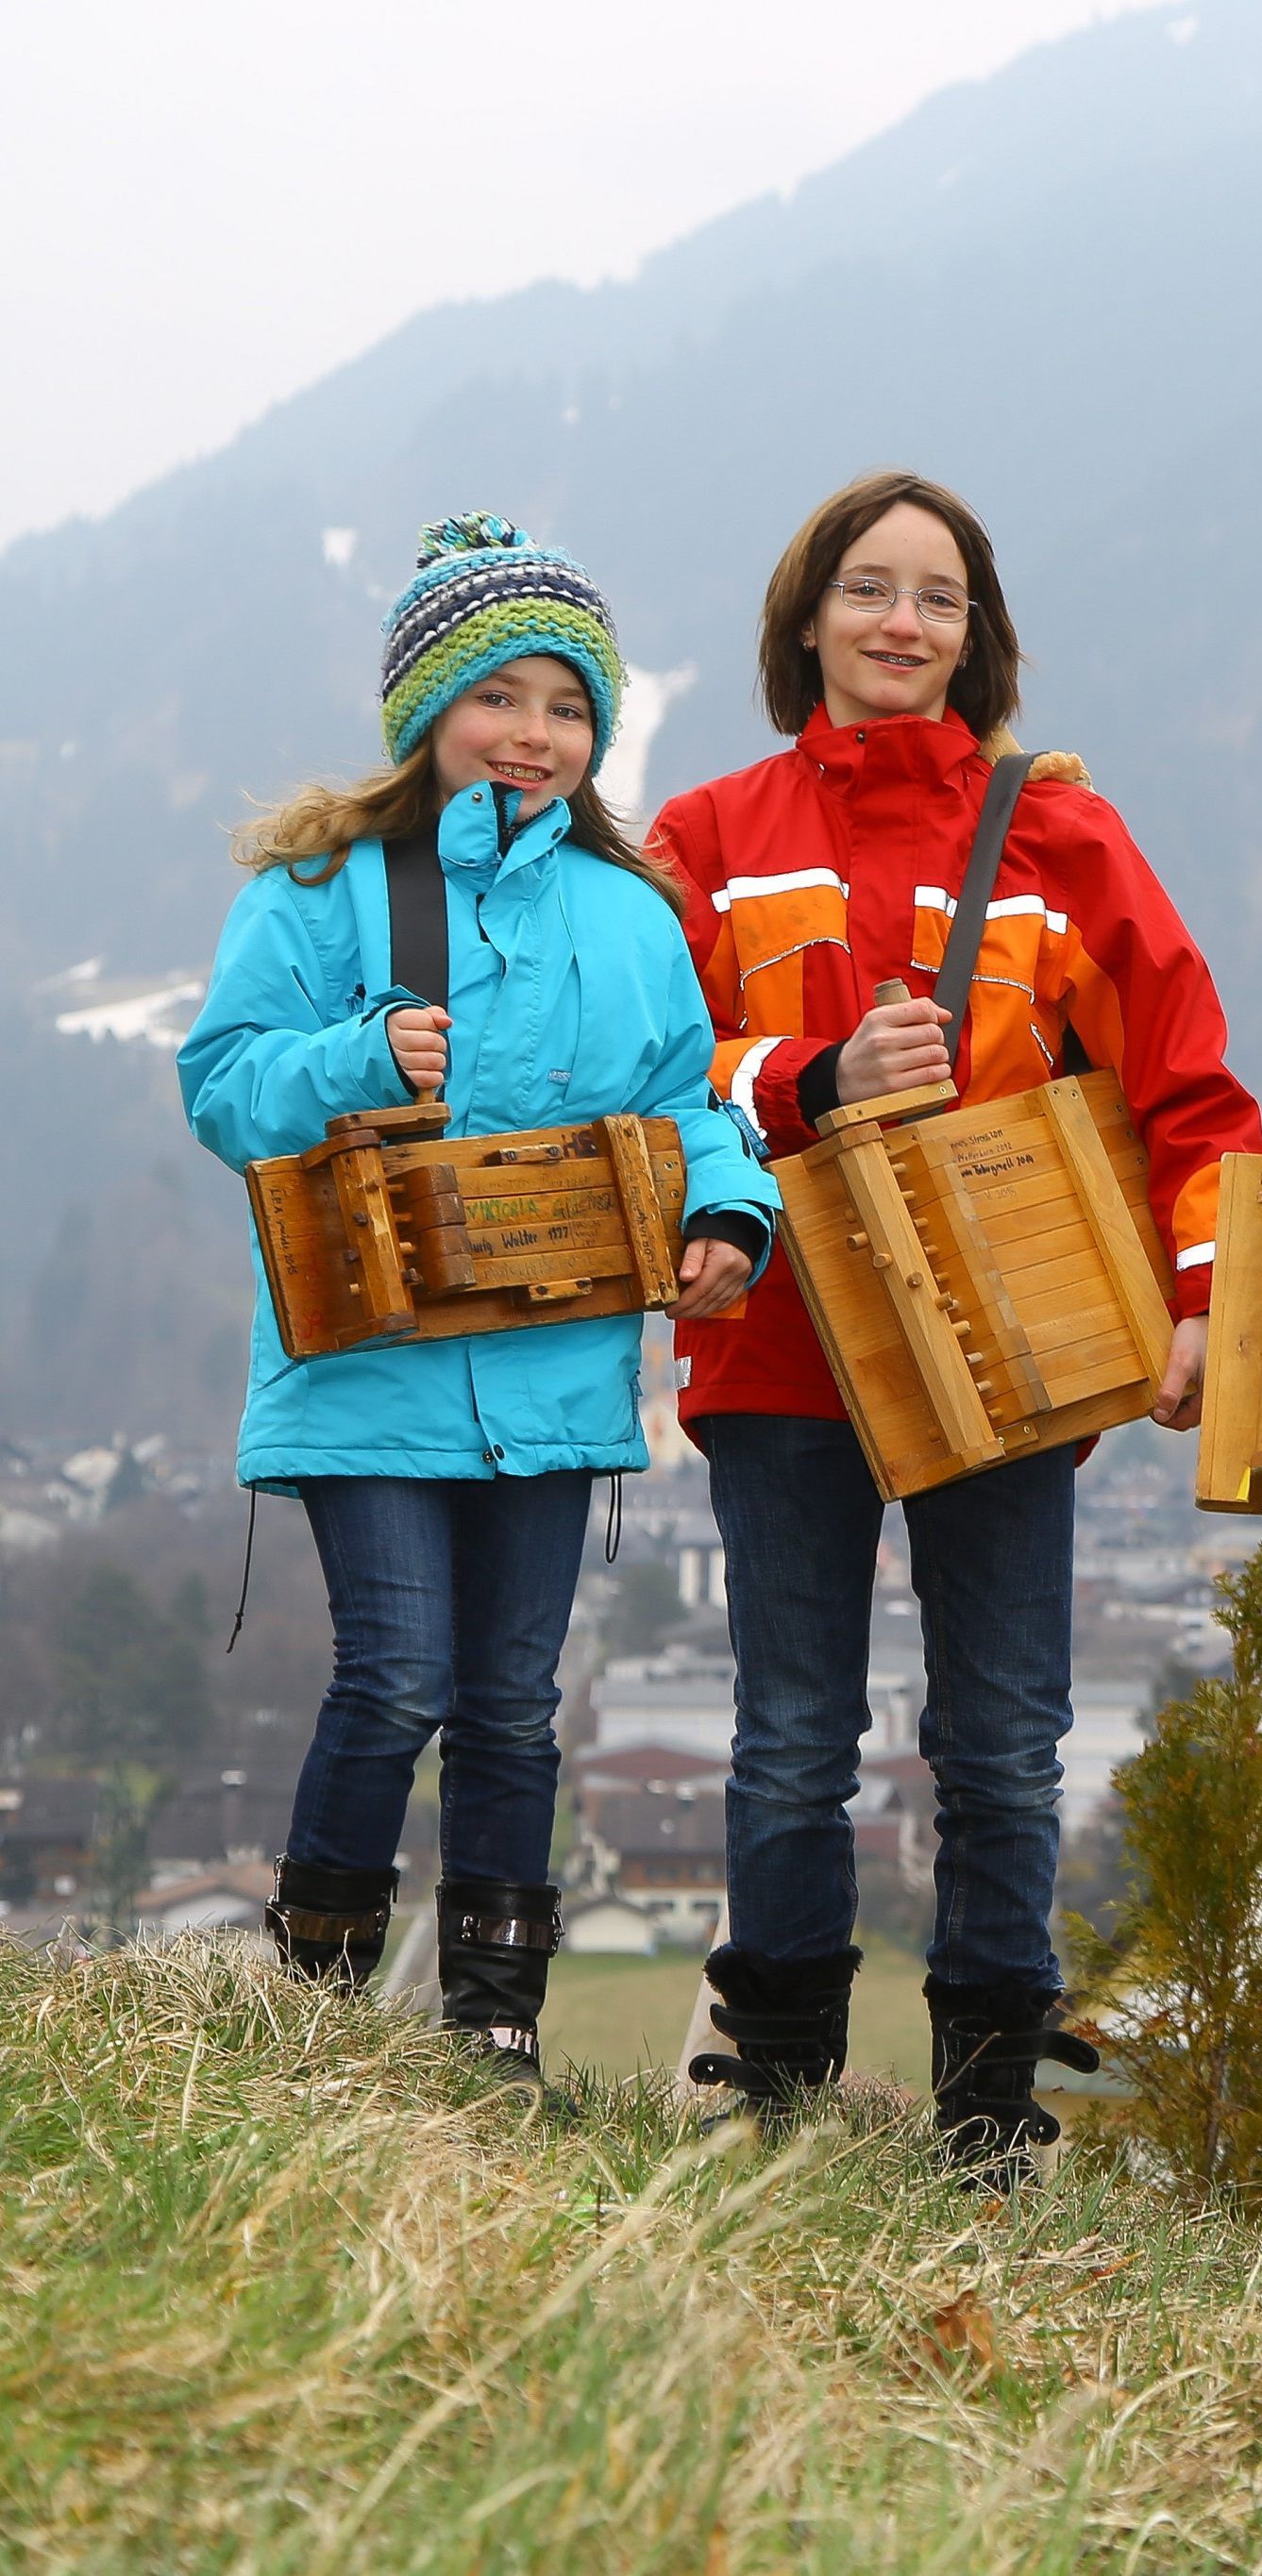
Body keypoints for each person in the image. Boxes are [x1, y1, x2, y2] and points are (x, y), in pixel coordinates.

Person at [652, 470, 1262, 2183]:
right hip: (780, 1340)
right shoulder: (706, 835)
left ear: (974, 634)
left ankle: (988, 2111)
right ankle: (774, 2085)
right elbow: (639, 1080)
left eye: (936, 596)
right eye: (868, 588)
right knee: (791, 1735)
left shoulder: (1065, 832)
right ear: (807, 619)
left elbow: (1193, 1090)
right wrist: (807, 1077)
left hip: (1017, 1344)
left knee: (1000, 1736)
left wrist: (1206, 1301)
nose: (900, 621)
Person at [182, 512, 774, 2083]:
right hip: (364, 1365)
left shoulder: (632, 914)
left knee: (513, 1706)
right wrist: (357, 1063)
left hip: (558, 1367)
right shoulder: (320, 890)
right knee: (395, 1679)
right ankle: (311, 2033)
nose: (535, 734)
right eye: (500, 696)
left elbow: (687, 1104)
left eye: (569, 704)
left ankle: (492, 2035)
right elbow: (225, 1092)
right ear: (429, 712)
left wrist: (729, 1208)